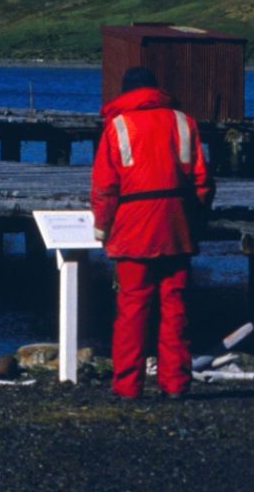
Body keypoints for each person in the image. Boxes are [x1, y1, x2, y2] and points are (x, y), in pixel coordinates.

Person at [92, 66, 215, 399]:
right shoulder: (183, 122)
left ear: (125, 92)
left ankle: (127, 386)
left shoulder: (118, 126)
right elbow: (202, 182)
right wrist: (194, 221)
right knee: (175, 308)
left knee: (132, 310)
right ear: (156, 90)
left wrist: (102, 227)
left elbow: (105, 187)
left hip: (133, 227)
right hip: (176, 227)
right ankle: (175, 383)